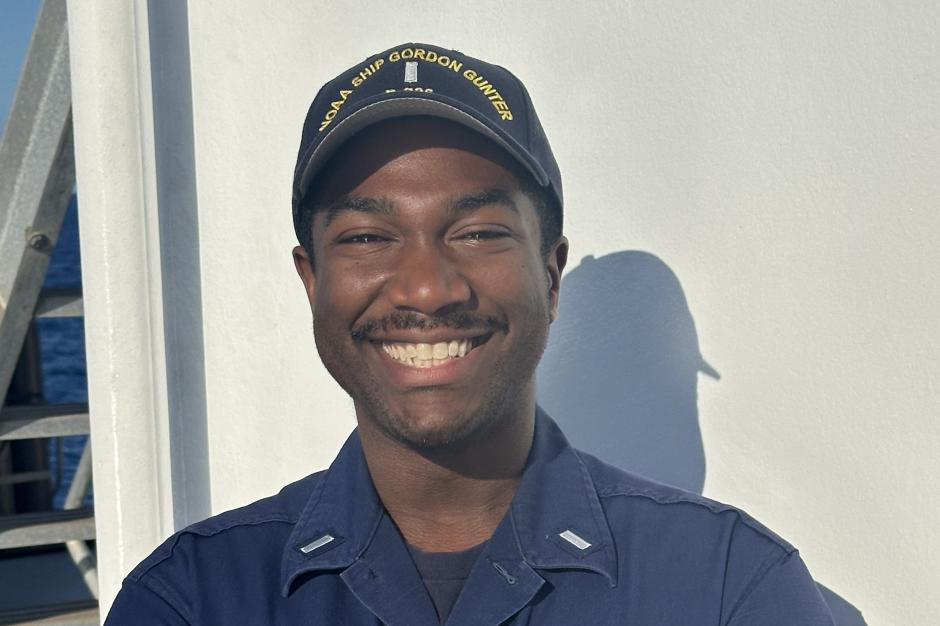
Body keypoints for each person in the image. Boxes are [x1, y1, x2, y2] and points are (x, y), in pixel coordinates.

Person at [105, 43, 835, 625]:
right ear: (312, 281)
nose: (427, 288)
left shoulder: (729, 587)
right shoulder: (192, 600)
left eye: (479, 231)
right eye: (366, 237)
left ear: (550, 277)